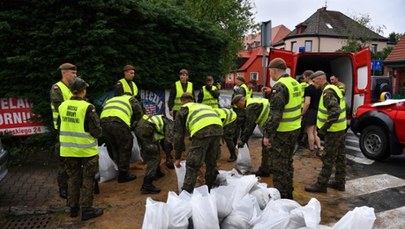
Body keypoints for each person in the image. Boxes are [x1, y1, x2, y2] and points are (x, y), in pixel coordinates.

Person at [58, 77, 103, 220]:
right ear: (83, 90)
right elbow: (96, 131)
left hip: (68, 150)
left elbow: (60, 125)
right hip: (87, 150)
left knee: (72, 178)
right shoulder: (87, 107)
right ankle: (87, 210)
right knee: (88, 179)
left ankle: (73, 208)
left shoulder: (62, 106)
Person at [262, 58, 302, 199]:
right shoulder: (295, 83)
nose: (270, 75)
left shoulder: (279, 86)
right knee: (287, 163)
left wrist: (267, 135)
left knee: (279, 166)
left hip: (282, 132)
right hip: (294, 129)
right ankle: (288, 193)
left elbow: (275, 115)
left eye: (270, 72)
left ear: (273, 71)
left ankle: (281, 199)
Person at [305, 71, 347, 193]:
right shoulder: (333, 88)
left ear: (321, 79)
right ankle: (340, 182)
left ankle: (321, 184)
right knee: (340, 157)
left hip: (333, 131)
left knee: (328, 158)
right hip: (339, 128)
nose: (313, 84)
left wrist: (323, 130)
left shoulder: (327, 92)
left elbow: (335, 111)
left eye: (314, 81)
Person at [173, 92, 223, 193]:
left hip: (202, 130)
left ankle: (186, 193)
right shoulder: (203, 106)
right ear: (193, 100)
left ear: (181, 101)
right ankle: (209, 188)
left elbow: (178, 136)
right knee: (211, 161)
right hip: (218, 128)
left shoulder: (183, 110)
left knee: (193, 163)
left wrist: (177, 157)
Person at [100, 93, 143, 183]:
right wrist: (134, 126)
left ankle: (119, 169)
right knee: (125, 146)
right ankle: (123, 174)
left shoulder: (111, 99)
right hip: (118, 122)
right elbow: (139, 114)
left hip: (103, 123)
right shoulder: (131, 99)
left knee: (114, 146)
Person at [50, 62, 77, 199]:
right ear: (64, 73)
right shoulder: (57, 88)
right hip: (63, 130)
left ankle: (73, 185)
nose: (75, 75)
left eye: (75, 73)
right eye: (72, 73)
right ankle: (63, 188)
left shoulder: (73, 87)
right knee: (63, 161)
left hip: (75, 129)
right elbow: (60, 106)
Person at [232, 95, 270, 176]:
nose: (238, 108)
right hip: (276, 124)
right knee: (271, 147)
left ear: (240, 102)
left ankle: (265, 170)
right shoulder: (253, 101)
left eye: (237, 105)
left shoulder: (250, 107)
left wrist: (243, 140)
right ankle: (270, 167)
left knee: (267, 146)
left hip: (273, 126)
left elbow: (250, 126)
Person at [135, 114, 174, 194]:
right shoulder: (170, 125)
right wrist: (169, 158)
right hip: (146, 129)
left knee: (152, 150)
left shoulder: (165, 121)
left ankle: (157, 172)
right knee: (154, 158)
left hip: (141, 127)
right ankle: (147, 185)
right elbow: (167, 143)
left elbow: (163, 142)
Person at [301, 70, 323, 152]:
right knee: (315, 132)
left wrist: (302, 113)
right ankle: (319, 146)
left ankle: (311, 148)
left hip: (310, 111)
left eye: (304, 77)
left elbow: (307, 103)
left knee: (309, 131)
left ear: (307, 77)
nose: (303, 79)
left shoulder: (308, 89)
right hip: (318, 111)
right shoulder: (319, 88)